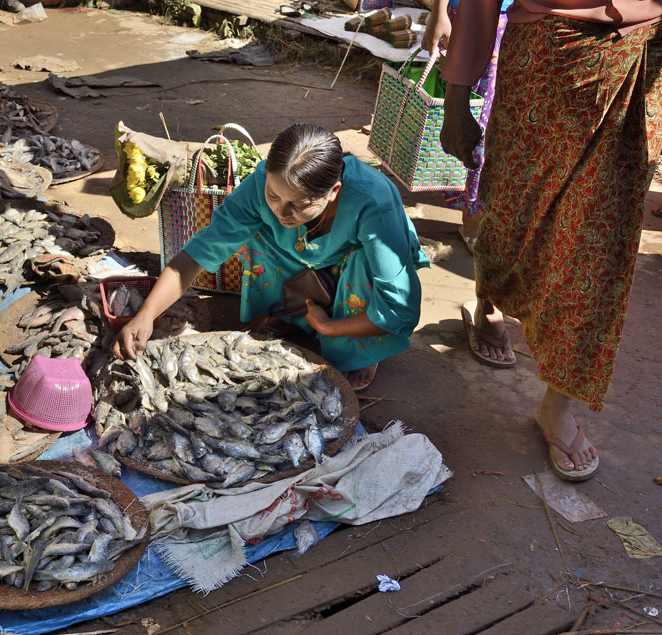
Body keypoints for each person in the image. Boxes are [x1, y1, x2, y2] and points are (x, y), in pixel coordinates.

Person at [441, 1, 662, 480]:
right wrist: (455, 94)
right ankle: (491, 302)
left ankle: (557, 405)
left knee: (599, 247)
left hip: (644, 57)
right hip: (547, 57)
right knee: (513, 214)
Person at [112, 123, 430, 392]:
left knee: (363, 268)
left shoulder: (373, 203)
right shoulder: (262, 185)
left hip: (354, 264)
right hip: (302, 252)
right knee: (260, 230)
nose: (282, 211)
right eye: (274, 195)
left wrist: (329, 327)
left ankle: (356, 346)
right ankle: (295, 315)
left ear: (333, 191)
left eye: (299, 204)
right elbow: (197, 254)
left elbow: (398, 310)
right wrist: (147, 314)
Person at [422, 0, 513, 264]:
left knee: (499, 119)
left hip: (523, 19)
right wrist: (438, 12)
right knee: (478, 119)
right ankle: (473, 221)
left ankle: (480, 209)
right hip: (478, 17)